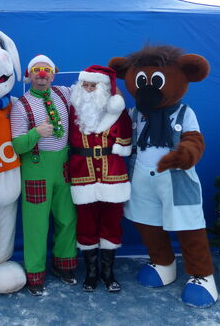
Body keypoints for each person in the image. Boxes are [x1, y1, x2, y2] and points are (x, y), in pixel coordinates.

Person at [10, 54, 77, 296]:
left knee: (67, 219)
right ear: (28, 75)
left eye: (46, 70)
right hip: (35, 169)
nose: (42, 74)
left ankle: (64, 265)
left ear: (53, 74)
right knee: (36, 225)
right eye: (37, 70)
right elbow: (17, 146)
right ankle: (35, 273)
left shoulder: (64, 94)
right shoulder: (21, 105)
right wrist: (36, 133)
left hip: (63, 167)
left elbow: (93, 89)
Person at [68, 65, 132, 292]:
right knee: (85, 224)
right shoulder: (73, 110)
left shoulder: (117, 112)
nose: (87, 89)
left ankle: (108, 273)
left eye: (92, 85)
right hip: (82, 174)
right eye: (84, 85)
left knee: (111, 223)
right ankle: (92, 273)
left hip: (112, 174)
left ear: (103, 88)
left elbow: (126, 136)